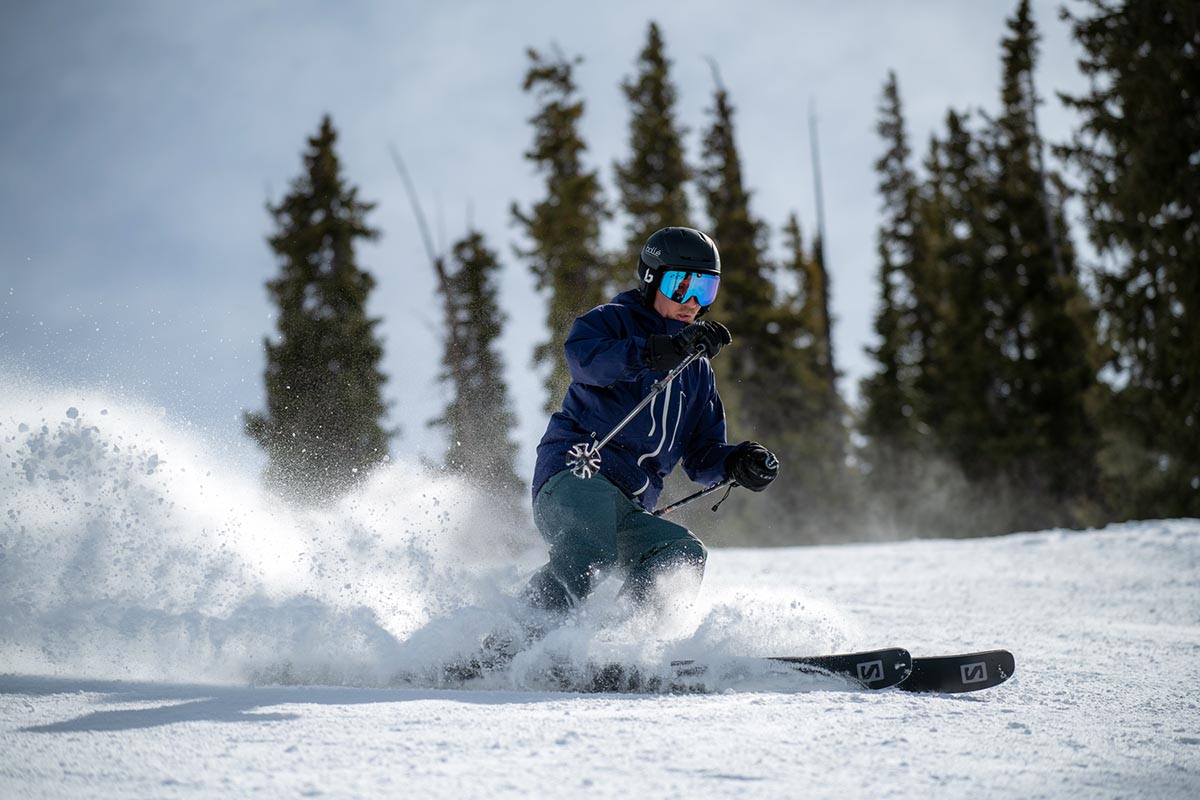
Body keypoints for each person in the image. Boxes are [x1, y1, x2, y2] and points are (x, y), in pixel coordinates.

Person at [522, 226, 780, 624]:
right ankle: (512, 638)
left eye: (705, 290)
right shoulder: (612, 323)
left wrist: (737, 462)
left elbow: (701, 456)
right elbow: (585, 360)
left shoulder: (698, 373)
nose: (692, 302)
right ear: (651, 278)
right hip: (575, 474)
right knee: (590, 554)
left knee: (680, 553)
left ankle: (624, 644)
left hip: (629, 504)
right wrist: (655, 351)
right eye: (681, 286)